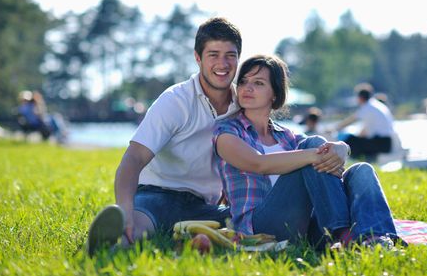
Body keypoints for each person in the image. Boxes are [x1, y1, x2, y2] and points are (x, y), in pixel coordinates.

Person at [86, 18, 353, 256]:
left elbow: (278, 139)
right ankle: (114, 239)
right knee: (139, 225)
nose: (222, 64)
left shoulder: (244, 99)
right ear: (198, 58)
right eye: (213, 54)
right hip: (159, 194)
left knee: (240, 227)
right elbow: (133, 158)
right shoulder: (175, 101)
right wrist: (124, 207)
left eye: (230, 55)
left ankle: (334, 234)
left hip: (207, 206)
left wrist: (339, 146)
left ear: (238, 58)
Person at [213, 55, 401, 248]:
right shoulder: (227, 130)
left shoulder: (288, 136)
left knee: (362, 171)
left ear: (275, 94)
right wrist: (314, 154)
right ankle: (341, 234)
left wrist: (343, 147)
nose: (247, 88)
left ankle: (378, 240)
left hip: (306, 227)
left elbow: (326, 156)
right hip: (260, 227)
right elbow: (258, 163)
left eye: (258, 83)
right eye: (243, 82)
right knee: (314, 145)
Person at [336, 83, 395, 161]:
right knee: (358, 140)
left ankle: (354, 162)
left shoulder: (367, 107)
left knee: (349, 141)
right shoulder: (376, 104)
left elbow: (351, 120)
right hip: (387, 142)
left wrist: (336, 128)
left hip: (382, 143)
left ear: (360, 97)